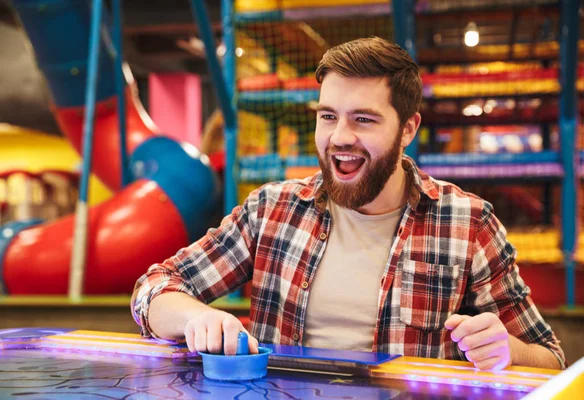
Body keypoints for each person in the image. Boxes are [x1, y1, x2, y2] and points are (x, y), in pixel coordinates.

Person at [131, 37, 566, 371]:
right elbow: (154, 287)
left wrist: (507, 350)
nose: (339, 136)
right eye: (328, 116)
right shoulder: (272, 210)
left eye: (363, 119)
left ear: (408, 127)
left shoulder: (467, 223)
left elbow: (552, 360)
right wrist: (192, 318)